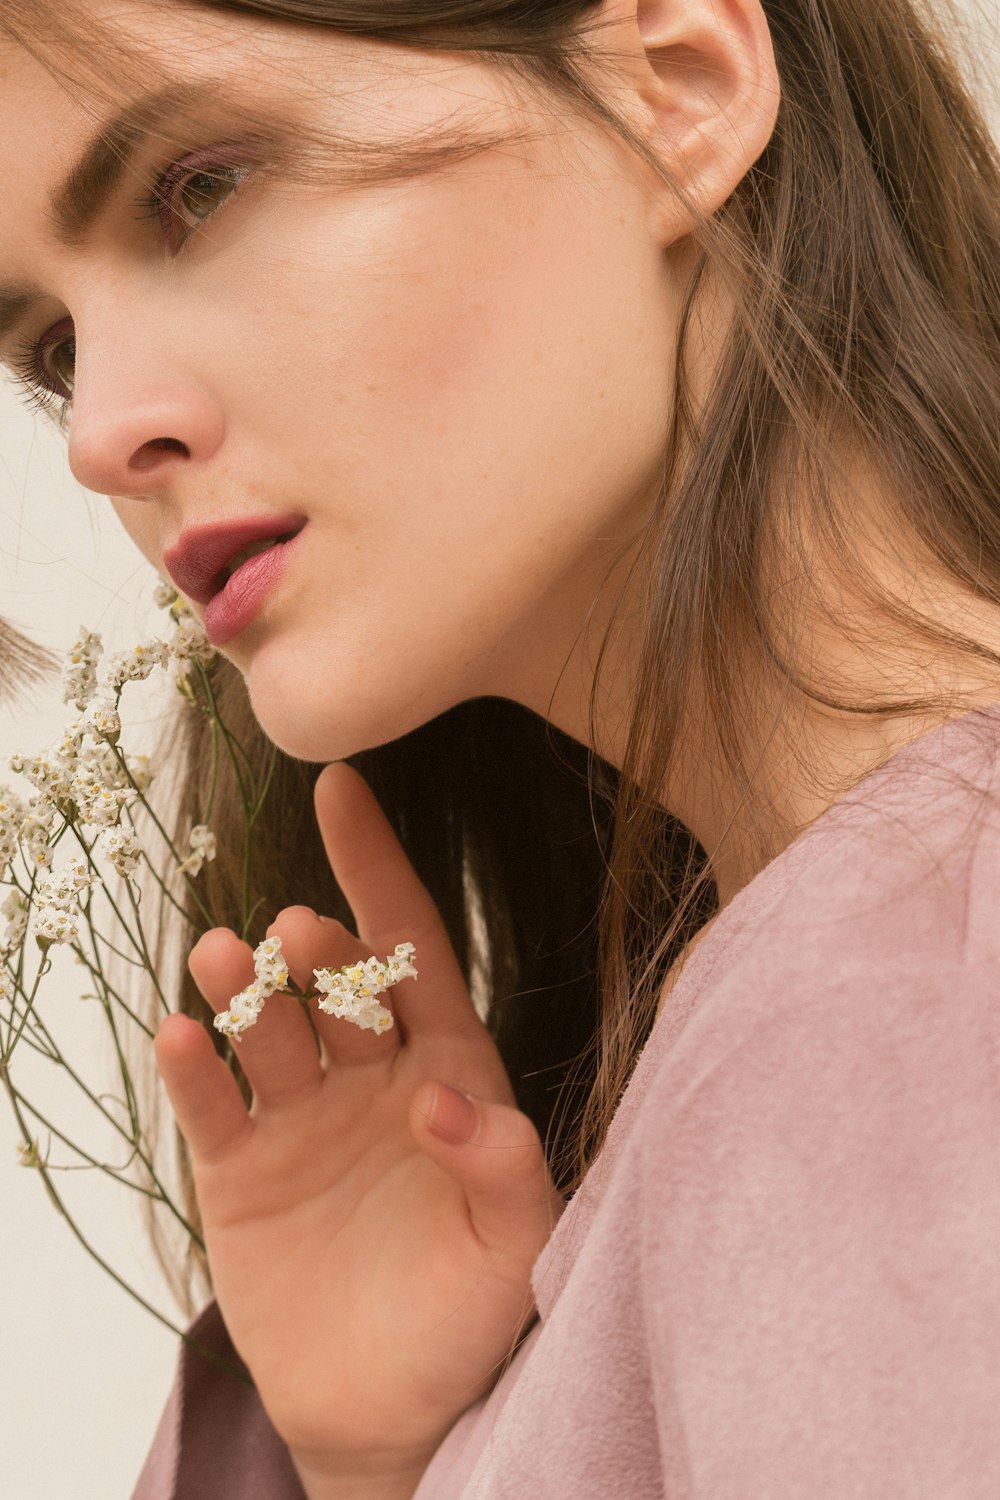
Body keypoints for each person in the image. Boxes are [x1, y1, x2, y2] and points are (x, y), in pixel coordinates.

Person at [1, 0, 999, 1494]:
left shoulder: (891, 978)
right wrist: (377, 1456)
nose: (98, 440)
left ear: (680, 86)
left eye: (201, 187)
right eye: (58, 350)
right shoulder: (814, 982)